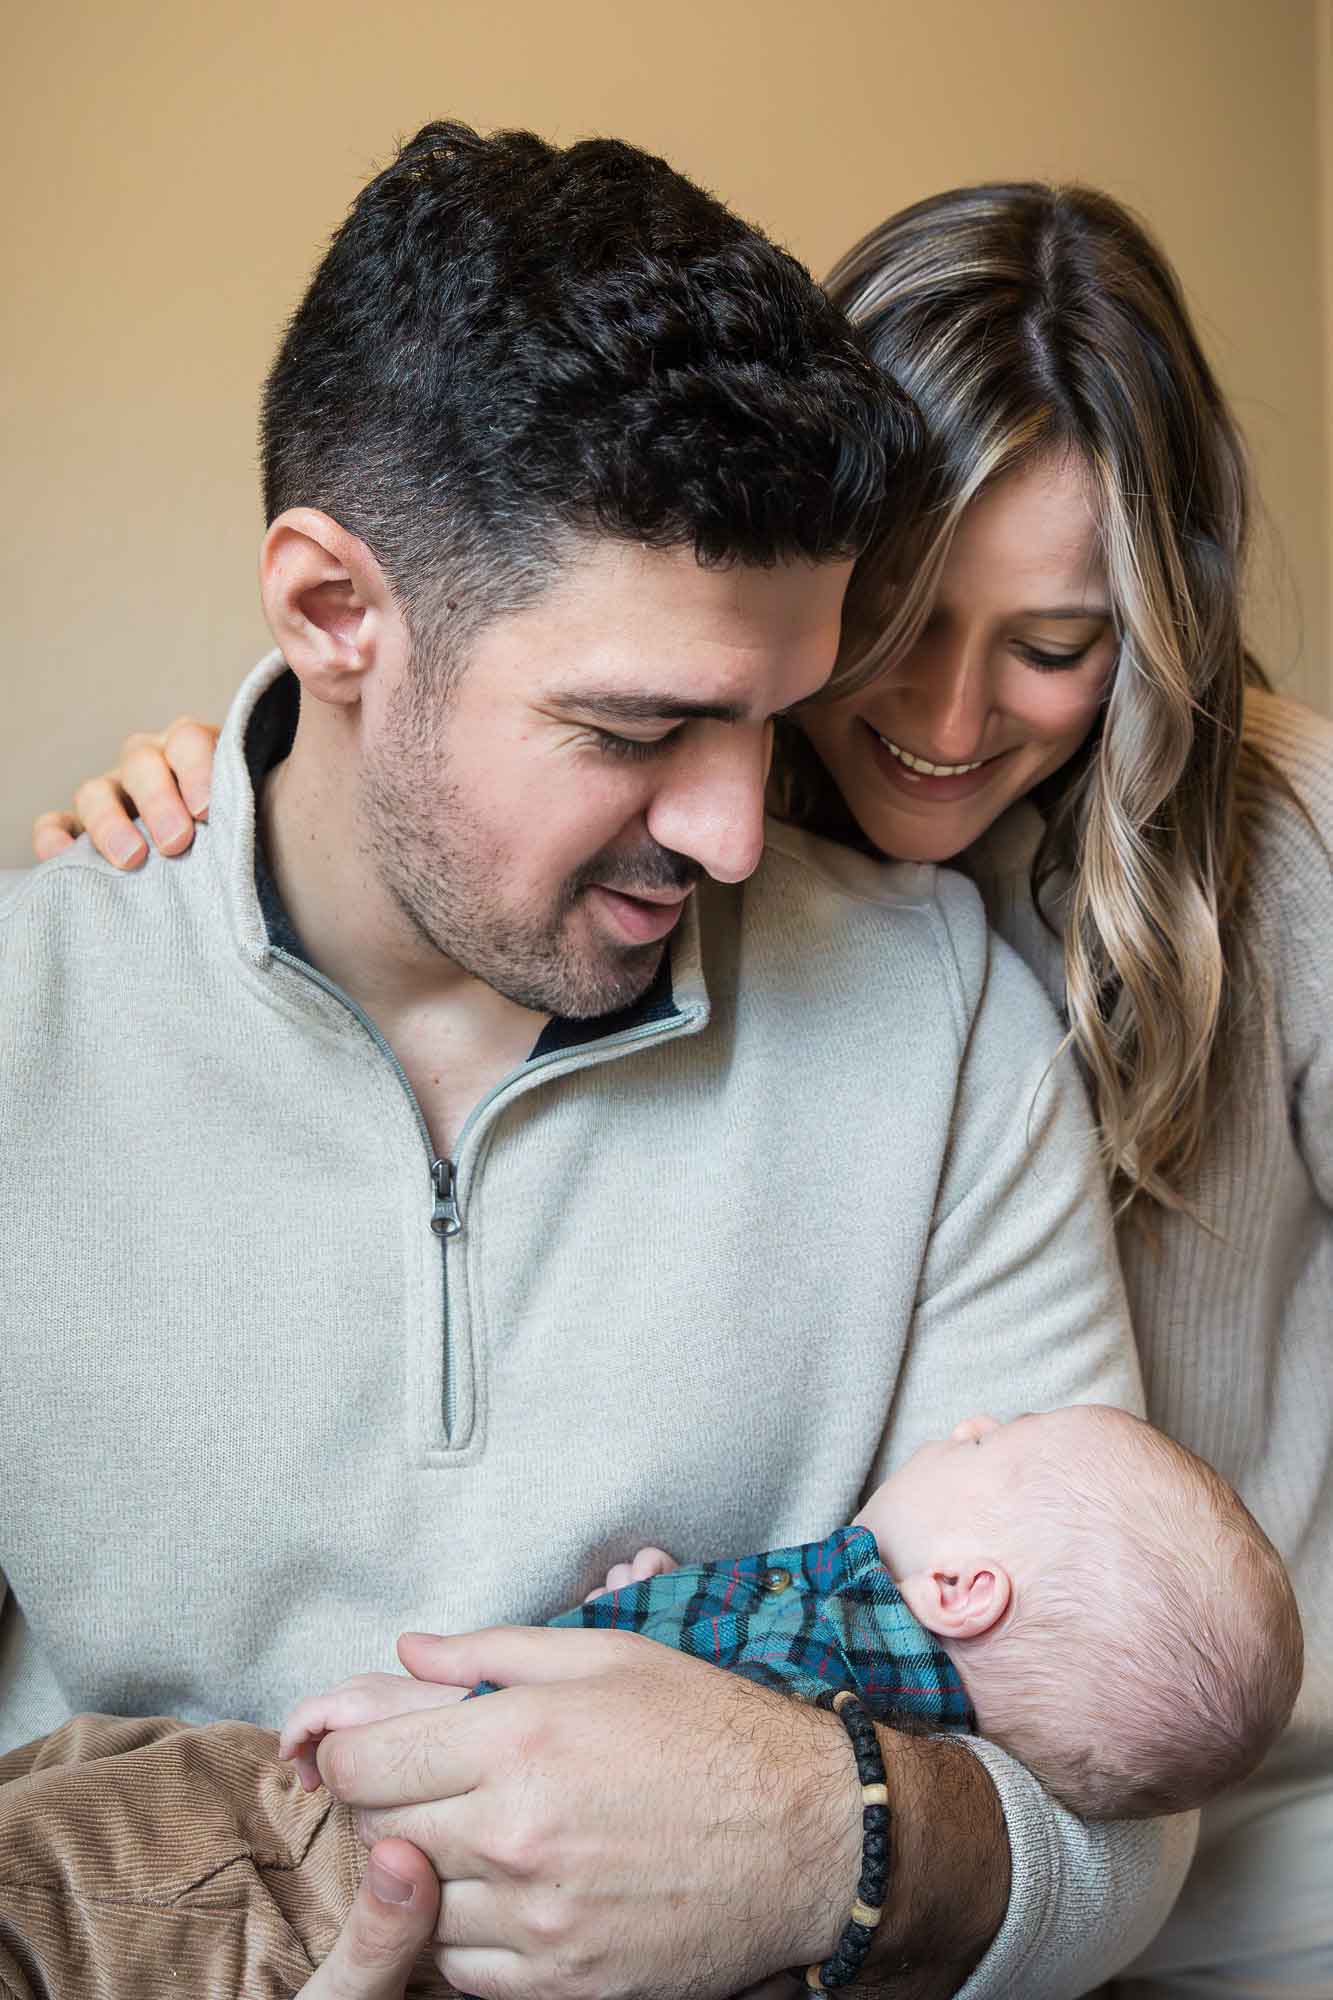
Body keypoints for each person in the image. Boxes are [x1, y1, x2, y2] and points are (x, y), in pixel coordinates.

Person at [59, 181, 1333, 1999]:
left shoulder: (1080, 948)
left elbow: (1062, 1821)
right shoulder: (96, 976)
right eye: (886, 632)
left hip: (1254, 1834)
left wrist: (829, 1829)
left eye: (1052, 645)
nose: (948, 721)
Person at [0, 1406, 1303, 2000]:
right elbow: (689, 1697)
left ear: (964, 1588)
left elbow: (569, 1745)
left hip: (315, 1860)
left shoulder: (840, 1607)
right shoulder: (886, 1690)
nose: (964, 1429)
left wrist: (391, 1705)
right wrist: (661, 1607)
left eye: (993, 1443)